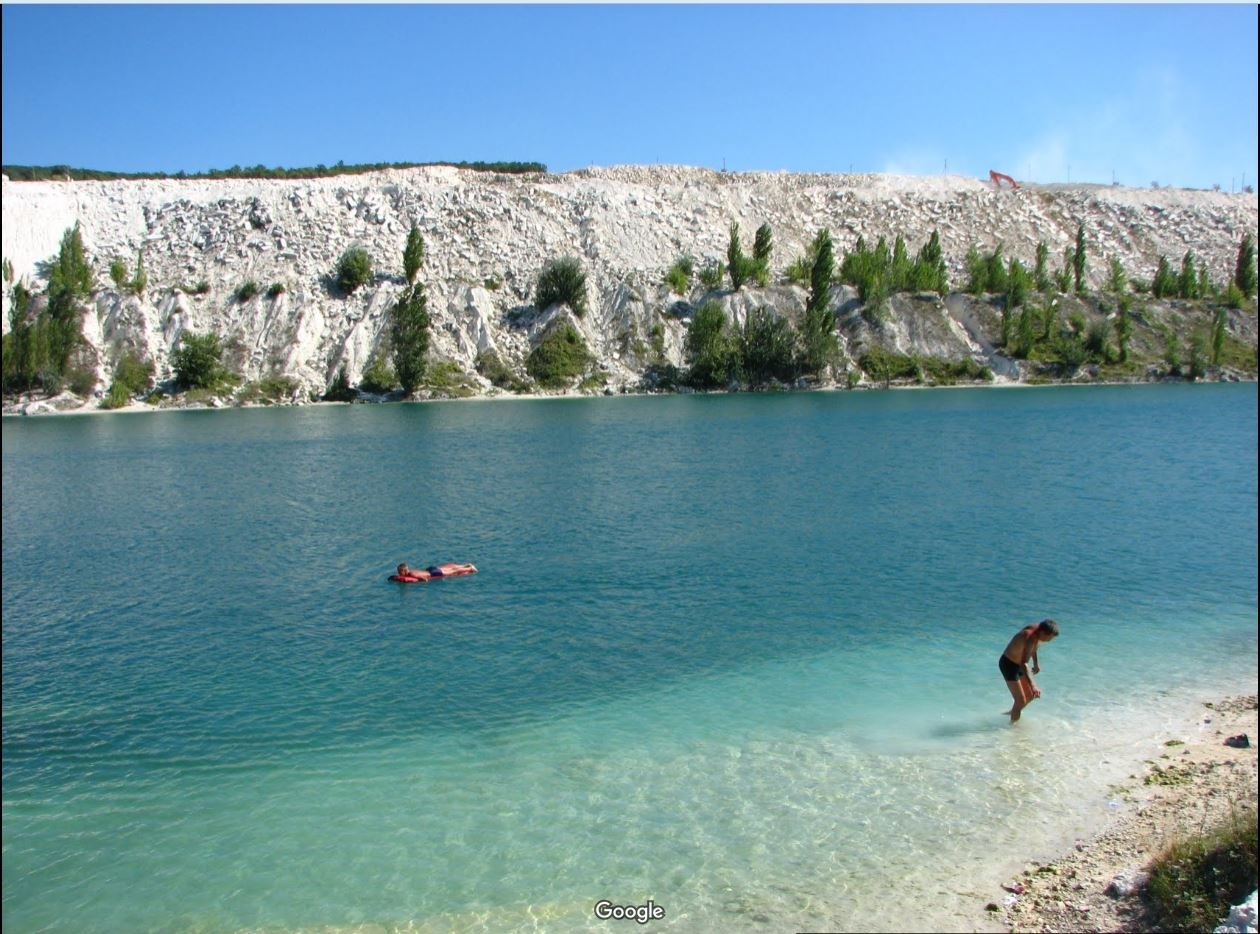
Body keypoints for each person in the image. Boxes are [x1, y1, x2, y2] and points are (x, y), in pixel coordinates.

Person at [1000, 618, 1059, 722]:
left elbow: (1032, 648)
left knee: (1031, 695)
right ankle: (1013, 730)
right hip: (1008, 664)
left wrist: (1036, 663)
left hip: (1018, 664)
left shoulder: (1037, 631)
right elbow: (1024, 663)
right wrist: (1033, 685)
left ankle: (1013, 712)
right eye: (1049, 638)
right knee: (1020, 700)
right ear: (1043, 632)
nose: (1049, 641)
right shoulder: (1030, 636)